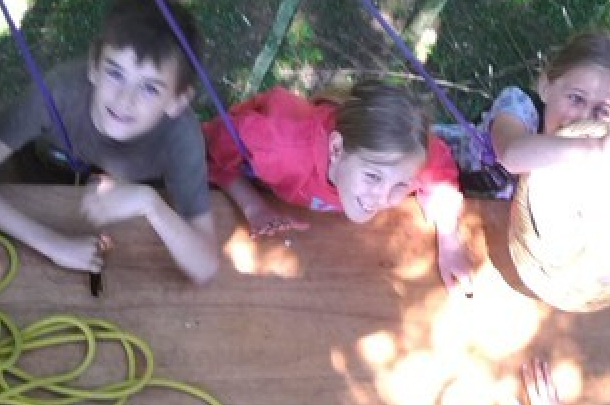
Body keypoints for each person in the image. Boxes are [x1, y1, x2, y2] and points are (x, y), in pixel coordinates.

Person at [0, 0, 220, 284]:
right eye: (116, 74)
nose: (124, 100)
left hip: (131, 197)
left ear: (178, 101)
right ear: (94, 66)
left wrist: (149, 202)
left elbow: (204, 267)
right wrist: (53, 244)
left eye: (150, 88)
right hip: (46, 175)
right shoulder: (58, 93)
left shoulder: (181, 136)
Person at [203, 80, 475, 291]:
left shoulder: (410, 152)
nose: (383, 198)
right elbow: (207, 148)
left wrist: (450, 240)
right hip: (257, 157)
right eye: (373, 176)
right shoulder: (278, 149)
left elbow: (440, 173)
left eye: (401, 184)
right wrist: (254, 207)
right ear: (336, 148)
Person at [436, 30, 610, 203]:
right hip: (419, 178)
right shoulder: (519, 105)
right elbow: (511, 155)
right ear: (546, 86)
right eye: (576, 98)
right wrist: (599, 147)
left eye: (601, 111)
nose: (583, 117)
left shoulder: (604, 150)